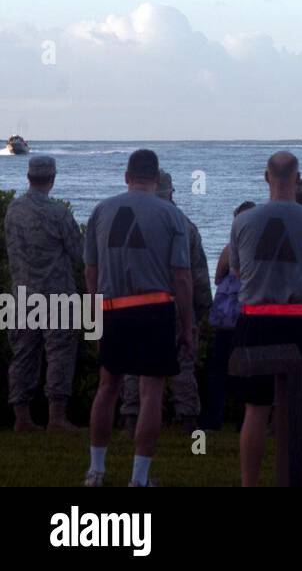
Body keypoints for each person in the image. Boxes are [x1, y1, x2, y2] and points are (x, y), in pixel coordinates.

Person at [83, 149, 194, 487]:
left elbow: (91, 270)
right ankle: (139, 478)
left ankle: (96, 470)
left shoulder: (101, 211)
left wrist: (95, 314)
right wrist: (187, 323)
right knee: (150, 393)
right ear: (157, 179)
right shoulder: (171, 215)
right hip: (154, 308)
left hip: (113, 309)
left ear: (126, 177)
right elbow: (182, 276)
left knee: (107, 387)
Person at [230, 151, 302, 487]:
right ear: (298, 178)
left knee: (256, 410)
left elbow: (236, 273)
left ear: (266, 177)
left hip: (257, 319)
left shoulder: (243, 222)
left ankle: (250, 483)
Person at [121, 170, 212, 435]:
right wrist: (201, 311)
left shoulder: (130, 222)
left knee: (134, 361)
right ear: (170, 193)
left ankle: (131, 417)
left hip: (134, 302)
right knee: (182, 360)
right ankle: (187, 420)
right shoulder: (185, 225)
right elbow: (197, 275)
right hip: (174, 303)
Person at [3, 154, 82, 432]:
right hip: (56, 294)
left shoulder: (13, 210)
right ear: (52, 179)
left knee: (23, 354)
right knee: (59, 353)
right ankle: (56, 417)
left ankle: (21, 417)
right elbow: (79, 251)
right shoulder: (58, 213)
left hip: (20, 294)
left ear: (28, 178)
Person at [201, 200, 255, 430]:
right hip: (250, 316)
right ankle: (247, 419)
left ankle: (213, 418)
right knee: (250, 370)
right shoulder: (257, 250)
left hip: (227, 319)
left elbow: (217, 278)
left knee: (219, 369)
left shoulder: (229, 249)